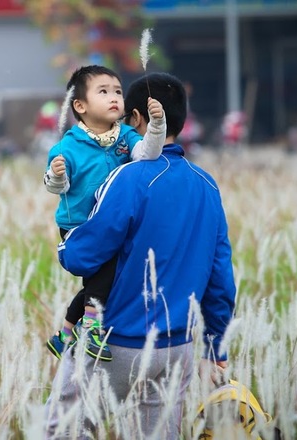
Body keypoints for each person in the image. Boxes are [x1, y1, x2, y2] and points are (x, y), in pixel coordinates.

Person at [44, 72, 237, 439]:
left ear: (134, 120)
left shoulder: (129, 178)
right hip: (177, 347)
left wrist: (66, 245)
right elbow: (220, 276)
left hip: (118, 342)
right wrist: (216, 346)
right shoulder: (207, 185)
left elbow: (82, 258)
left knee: (65, 431)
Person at [44, 65, 166, 362]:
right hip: (80, 225)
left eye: (118, 92)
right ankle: (92, 328)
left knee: (101, 279)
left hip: (113, 222)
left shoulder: (125, 136)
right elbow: (57, 187)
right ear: (80, 106)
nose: (114, 97)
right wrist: (58, 175)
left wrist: (157, 126)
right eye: (103, 91)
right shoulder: (68, 147)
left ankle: (65, 334)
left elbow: (146, 154)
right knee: (105, 275)